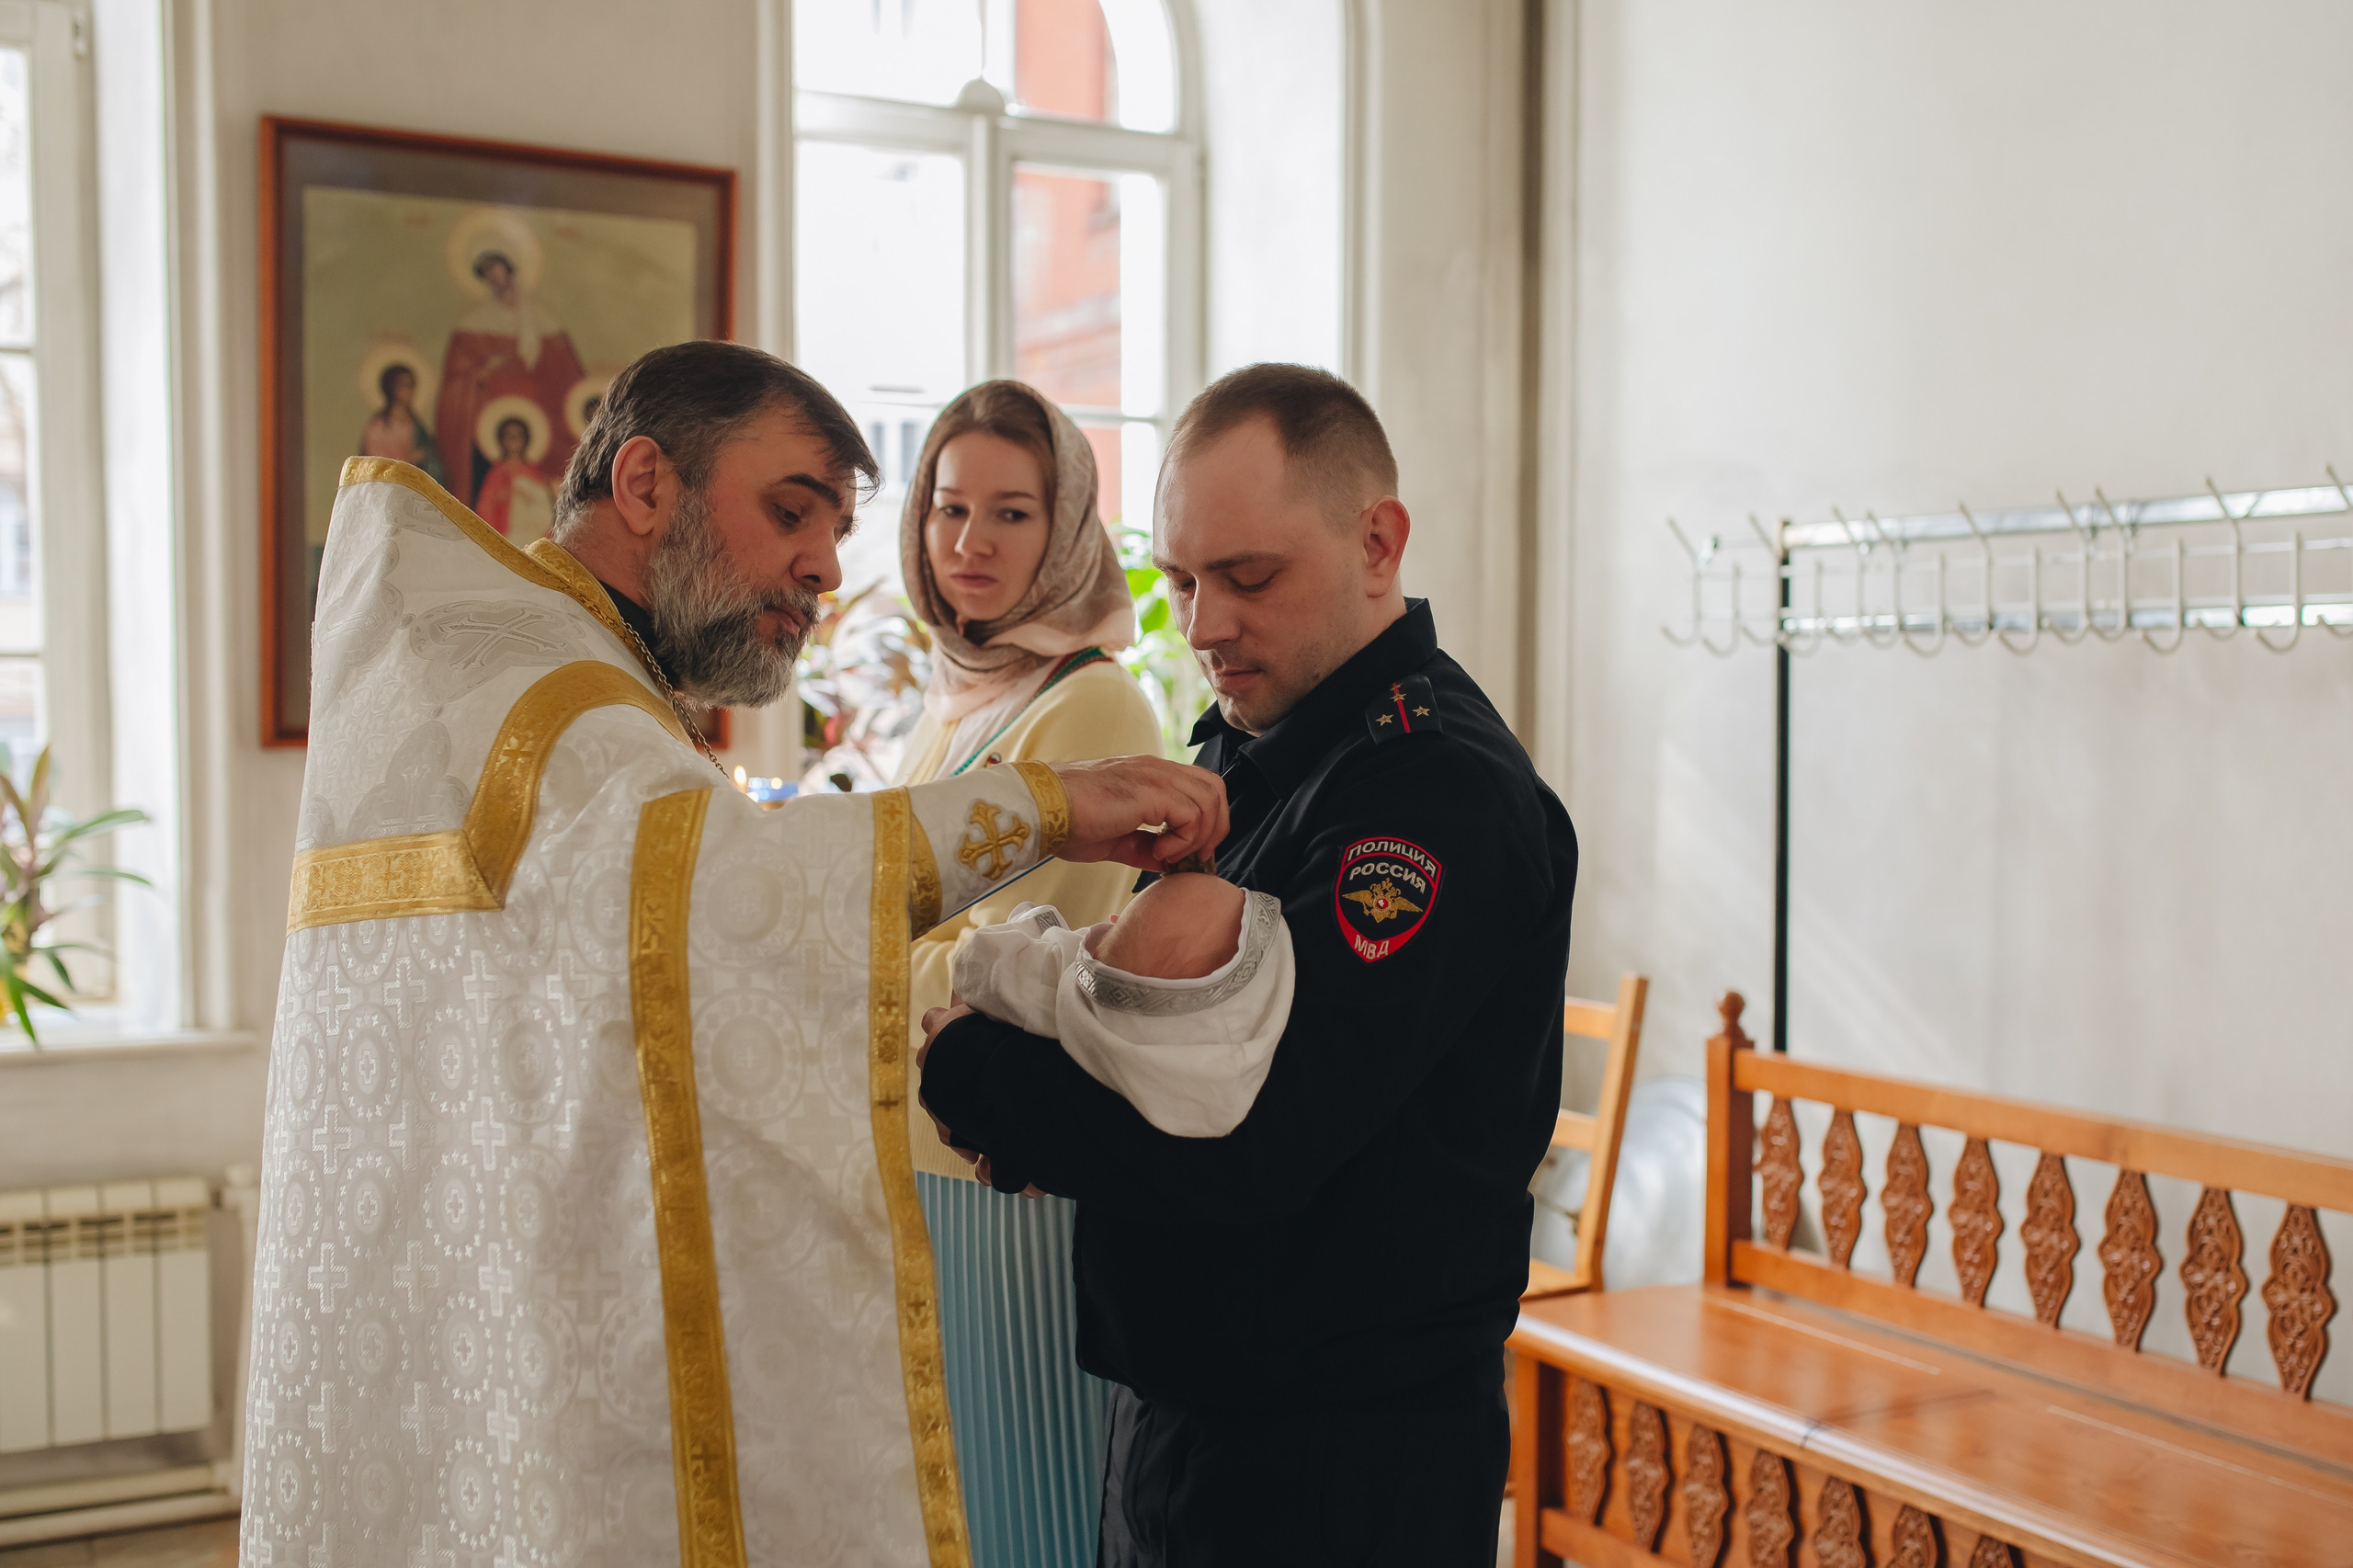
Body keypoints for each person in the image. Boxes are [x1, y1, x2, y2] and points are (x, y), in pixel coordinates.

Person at [242, 340, 1226, 1567]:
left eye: (835, 525)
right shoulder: (558, 697)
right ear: (647, 484)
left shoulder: (541, 664)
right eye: (789, 510)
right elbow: (733, 892)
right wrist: (1045, 803)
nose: (824, 564)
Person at [919, 363, 1579, 1567]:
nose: (1204, 624)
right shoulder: (1260, 745)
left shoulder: (1430, 795)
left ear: (1378, 541)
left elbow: (1251, 1124)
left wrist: (975, 1075)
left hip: (1335, 1461)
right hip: (1192, 1408)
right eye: (1179, 579)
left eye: (1249, 577)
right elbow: (1139, 1023)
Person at [893, 380, 1162, 1568]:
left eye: (1011, 513)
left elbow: (1017, 965)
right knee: (953, 1498)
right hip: (923, 1143)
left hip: (1013, 1168)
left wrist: (812, 927)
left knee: (1026, 1501)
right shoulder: (957, 698)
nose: (971, 542)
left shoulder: (1094, 699)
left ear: (1066, 527)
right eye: (952, 508)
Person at [949, 872, 1290, 1139]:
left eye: (1118, 928)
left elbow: (974, 963)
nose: (1112, 918)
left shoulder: (1050, 990)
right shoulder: (1202, 1069)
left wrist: (1031, 921)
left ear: (1096, 971)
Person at [436, 242, 585, 503]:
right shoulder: (472, 324)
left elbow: (568, 381)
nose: (493, 277)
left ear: (509, 269)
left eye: (496, 268)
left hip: (538, 423)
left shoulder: (544, 322)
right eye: (486, 273)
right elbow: (455, 383)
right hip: (488, 428)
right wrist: (479, 375)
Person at [473, 413, 555, 541]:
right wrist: (503, 496)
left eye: (518, 435)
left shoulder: (535, 474)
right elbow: (485, 505)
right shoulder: (497, 473)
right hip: (507, 533)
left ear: (526, 439)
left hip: (533, 533)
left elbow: (545, 506)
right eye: (508, 435)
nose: (513, 438)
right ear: (501, 439)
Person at [358, 362, 443, 483]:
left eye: (412, 385)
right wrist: (411, 458)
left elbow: (429, 453)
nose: (410, 391)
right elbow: (376, 464)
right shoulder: (379, 427)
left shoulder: (415, 424)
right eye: (405, 385)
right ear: (392, 388)